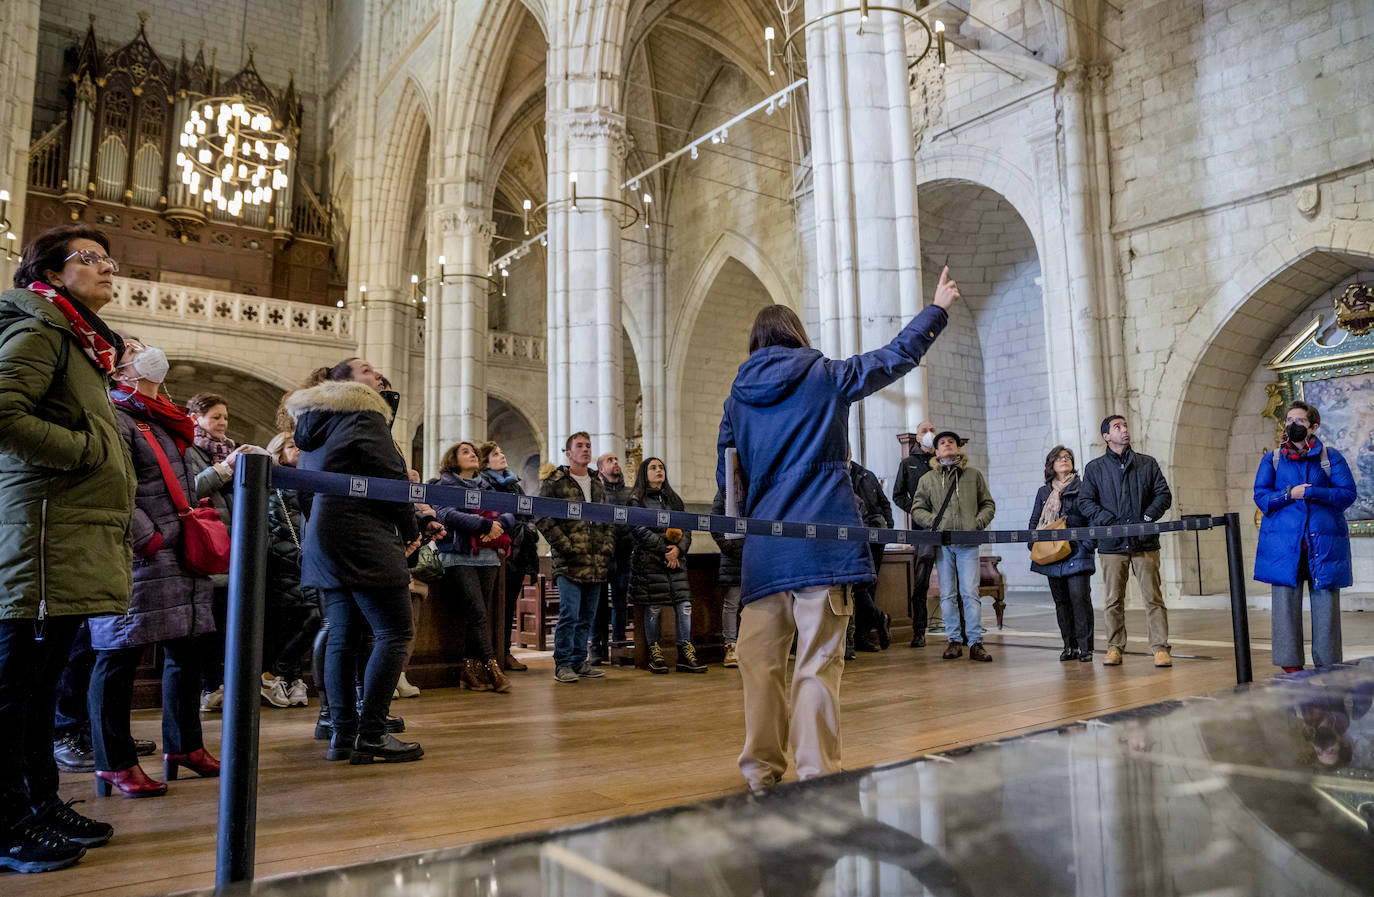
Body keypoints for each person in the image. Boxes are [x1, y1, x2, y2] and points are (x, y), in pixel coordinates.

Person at [718, 268, 958, 793]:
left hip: (764, 549)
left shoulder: (736, 400)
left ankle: (760, 773)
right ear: (797, 336)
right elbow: (894, 357)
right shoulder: (824, 375)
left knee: (760, 667)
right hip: (823, 542)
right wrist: (936, 309)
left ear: (755, 343)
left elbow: (728, 485)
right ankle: (816, 775)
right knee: (818, 663)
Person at [0, 225, 136, 870]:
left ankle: (39, 804)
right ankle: (7, 825)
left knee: (40, 687)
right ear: (52, 275)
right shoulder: (40, 332)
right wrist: (85, 452)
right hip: (38, 542)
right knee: (11, 694)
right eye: (92, 259)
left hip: (62, 540)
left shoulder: (76, 342)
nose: (109, 268)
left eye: (110, 259)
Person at [89, 337, 223, 800]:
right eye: (133, 349)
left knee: (186, 650)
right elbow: (111, 486)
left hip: (176, 554)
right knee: (118, 655)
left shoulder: (159, 416)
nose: (147, 351)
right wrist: (150, 537)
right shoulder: (115, 414)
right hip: (141, 554)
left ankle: (184, 746)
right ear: (118, 371)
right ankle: (114, 761)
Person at [286, 357, 430, 764]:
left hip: (326, 537)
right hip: (363, 534)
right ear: (347, 384)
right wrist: (411, 527)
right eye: (367, 371)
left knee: (343, 636)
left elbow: (306, 492)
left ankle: (342, 733)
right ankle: (372, 732)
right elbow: (392, 482)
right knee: (394, 632)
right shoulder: (364, 414)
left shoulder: (316, 423)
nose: (378, 375)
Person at [1253, 401, 1356, 672]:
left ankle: (1328, 664)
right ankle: (1291, 667)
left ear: (1313, 426)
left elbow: (1347, 494)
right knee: (1285, 608)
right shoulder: (1273, 459)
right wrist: (1289, 494)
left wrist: (1312, 493)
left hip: (1323, 546)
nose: (1292, 425)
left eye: (1299, 421)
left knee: (1326, 610)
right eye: (1289, 420)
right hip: (1286, 547)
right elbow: (1261, 496)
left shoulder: (1331, 457)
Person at [1079, 414, 1174, 668]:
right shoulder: (1095, 468)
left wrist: (1147, 516)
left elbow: (1163, 494)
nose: (1124, 430)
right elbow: (1085, 501)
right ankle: (1114, 647)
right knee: (1113, 600)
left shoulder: (1147, 463)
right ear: (1106, 436)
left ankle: (1160, 648)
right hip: (1112, 545)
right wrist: (1107, 520)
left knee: (1153, 598)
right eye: (1117, 427)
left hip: (1145, 542)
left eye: (1125, 426)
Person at [432, 441, 514, 694]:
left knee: (479, 615)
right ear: (452, 459)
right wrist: (483, 525)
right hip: (458, 555)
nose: (472, 455)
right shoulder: (442, 484)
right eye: (465, 452)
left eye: (474, 452)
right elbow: (446, 514)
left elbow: (510, 513)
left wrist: (497, 525)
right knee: (478, 613)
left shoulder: (487, 485)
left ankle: (468, 670)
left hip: (487, 556)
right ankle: (492, 668)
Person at [909, 431, 996, 662]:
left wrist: (976, 524)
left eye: (951, 442)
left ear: (958, 449)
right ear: (936, 452)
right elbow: (917, 509)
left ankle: (976, 643)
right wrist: (934, 524)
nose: (947, 445)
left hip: (968, 543)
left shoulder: (973, 475)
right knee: (948, 594)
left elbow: (987, 504)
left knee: (970, 594)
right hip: (942, 544)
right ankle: (954, 641)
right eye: (942, 443)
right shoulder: (927, 480)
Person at [538, 432, 616, 684]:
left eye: (588, 446)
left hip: (596, 560)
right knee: (570, 614)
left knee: (587, 616)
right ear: (568, 453)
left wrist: (607, 546)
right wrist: (565, 544)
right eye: (579, 446)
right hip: (569, 560)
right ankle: (562, 664)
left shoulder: (597, 481)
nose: (585, 449)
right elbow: (542, 516)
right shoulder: (556, 481)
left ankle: (580, 661)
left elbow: (608, 519)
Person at [628, 458, 704, 674]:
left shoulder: (674, 499)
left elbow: (687, 528)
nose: (658, 470)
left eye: (661, 467)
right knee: (654, 606)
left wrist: (678, 549)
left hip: (676, 561)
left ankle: (685, 653)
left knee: (684, 606)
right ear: (644, 473)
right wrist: (665, 549)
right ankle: (655, 653)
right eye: (653, 468)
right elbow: (639, 530)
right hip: (650, 562)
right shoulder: (636, 500)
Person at [185, 392, 236, 712]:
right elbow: (189, 489)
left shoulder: (226, 450)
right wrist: (224, 470)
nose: (222, 423)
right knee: (206, 625)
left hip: (229, 547)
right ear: (196, 419)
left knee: (223, 622)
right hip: (205, 545)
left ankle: (219, 685)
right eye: (215, 416)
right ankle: (208, 687)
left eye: (225, 417)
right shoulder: (189, 449)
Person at [264, 431, 320, 706]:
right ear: (278, 452)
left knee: (312, 618)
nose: (297, 450)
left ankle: (284, 673)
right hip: (285, 564)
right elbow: (275, 527)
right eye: (290, 446)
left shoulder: (308, 480)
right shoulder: (275, 482)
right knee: (293, 623)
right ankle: (287, 676)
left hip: (308, 562)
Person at [1028, 446, 1096, 662]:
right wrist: (1034, 545)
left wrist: (1087, 545)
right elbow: (1034, 520)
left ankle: (1085, 648)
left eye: (1068, 457)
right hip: (1051, 554)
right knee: (1062, 602)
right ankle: (1069, 646)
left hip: (1077, 551)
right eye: (1059, 458)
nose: (1064, 460)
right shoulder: (1044, 491)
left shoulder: (1083, 487)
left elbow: (1091, 518)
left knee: (1080, 599)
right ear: (1051, 464)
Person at [479, 441, 537, 671]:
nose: (502, 456)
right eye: (495, 454)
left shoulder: (514, 485)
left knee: (508, 605)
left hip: (518, 550)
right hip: (497, 549)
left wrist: (528, 530)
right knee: (492, 605)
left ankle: (504, 652)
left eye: (502, 452)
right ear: (486, 461)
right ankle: (490, 656)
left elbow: (527, 513)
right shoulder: (485, 483)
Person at [892, 420, 940, 645]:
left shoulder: (941, 461)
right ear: (918, 437)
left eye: (932, 430)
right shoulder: (908, 463)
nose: (929, 433)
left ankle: (960, 631)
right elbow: (898, 494)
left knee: (955, 581)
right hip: (922, 531)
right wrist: (917, 511)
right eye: (924, 431)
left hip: (947, 529)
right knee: (920, 582)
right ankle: (919, 631)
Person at [848, 454, 893, 653]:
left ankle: (862, 638)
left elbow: (884, 503)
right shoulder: (835, 475)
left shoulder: (867, 475)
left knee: (869, 585)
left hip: (875, 536)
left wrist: (888, 527)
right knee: (857, 585)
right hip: (853, 537)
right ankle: (878, 618)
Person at [593, 451, 633, 665]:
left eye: (616, 460)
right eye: (610, 461)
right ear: (601, 469)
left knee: (621, 604)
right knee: (598, 605)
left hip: (625, 556)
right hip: (603, 556)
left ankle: (619, 648)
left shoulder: (630, 493)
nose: (615, 463)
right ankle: (597, 650)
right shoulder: (598, 492)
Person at [711, 484, 744, 668]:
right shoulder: (726, 488)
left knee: (755, 603)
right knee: (732, 602)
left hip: (753, 553)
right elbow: (715, 522)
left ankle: (749, 646)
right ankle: (730, 646)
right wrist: (728, 546)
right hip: (733, 555)